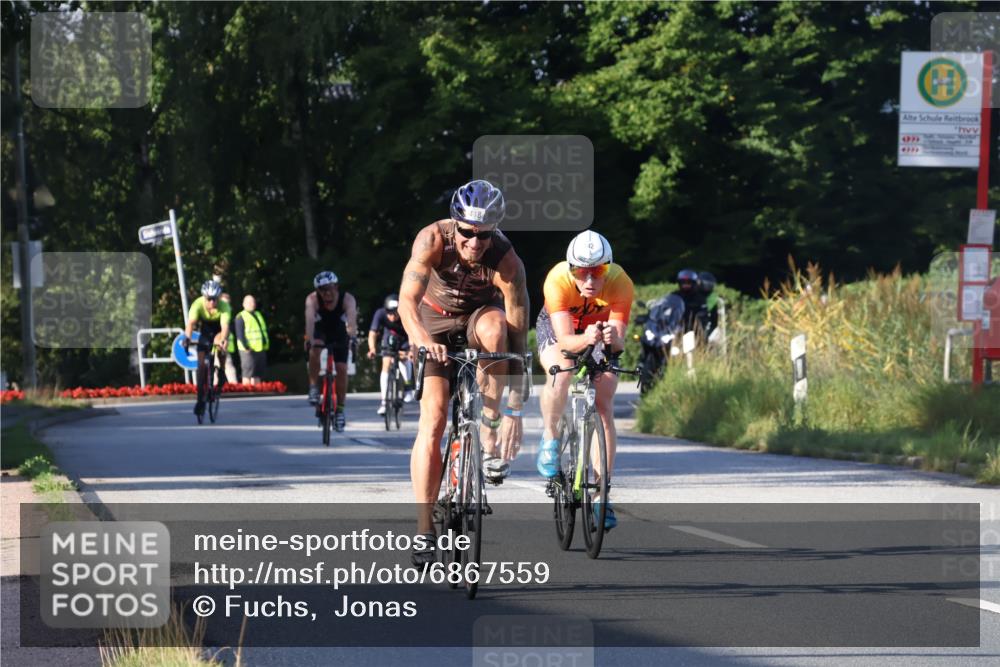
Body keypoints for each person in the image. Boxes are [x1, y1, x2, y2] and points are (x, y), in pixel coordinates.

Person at [397, 179, 529, 567]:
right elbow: (407, 301)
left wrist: (514, 411)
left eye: (484, 235)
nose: (475, 242)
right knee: (434, 420)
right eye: (468, 232)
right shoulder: (432, 239)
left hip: (477, 318)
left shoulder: (507, 261)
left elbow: (518, 343)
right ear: (457, 225)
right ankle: (424, 530)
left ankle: (486, 425)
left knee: (497, 330)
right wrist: (422, 340)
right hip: (433, 323)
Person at [535, 230, 634, 530]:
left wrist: (610, 338)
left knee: (604, 398)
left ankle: (602, 493)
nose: (589, 280)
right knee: (561, 374)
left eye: (598, 271)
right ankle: (551, 437)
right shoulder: (557, 280)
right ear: (571, 270)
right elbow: (565, 341)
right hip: (561, 332)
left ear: (609, 268)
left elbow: (619, 344)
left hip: (599, 331)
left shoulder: (621, 282)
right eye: (581, 272)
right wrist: (586, 338)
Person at [304, 271, 358, 431]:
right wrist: (308, 340)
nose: (326, 293)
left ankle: (340, 409)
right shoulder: (312, 299)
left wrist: (353, 338)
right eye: (321, 290)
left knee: (341, 369)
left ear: (336, 287)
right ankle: (313, 387)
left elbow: (352, 321)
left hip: (339, 333)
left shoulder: (347, 299)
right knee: (314, 349)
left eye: (329, 288)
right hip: (321, 331)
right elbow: (309, 321)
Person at [183, 280, 233, 416]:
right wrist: (187, 339)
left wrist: (222, 340)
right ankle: (200, 400)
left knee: (221, 345)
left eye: (215, 299)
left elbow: (225, 328)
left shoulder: (224, 307)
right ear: (204, 298)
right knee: (201, 366)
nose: (212, 302)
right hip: (205, 331)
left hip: (218, 330)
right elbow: (191, 324)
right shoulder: (197, 304)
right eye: (209, 299)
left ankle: (221, 372)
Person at [367, 293, 414, 415]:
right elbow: (373, 333)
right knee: (386, 364)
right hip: (389, 339)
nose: (392, 316)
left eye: (395, 313)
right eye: (389, 313)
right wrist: (372, 348)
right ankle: (384, 402)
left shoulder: (406, 314)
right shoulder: (380, 313)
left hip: (405, 338)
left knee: (404, 359)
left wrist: (411, 351)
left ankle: (408, 386)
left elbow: (413, 334)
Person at [236, 294, 269, 385]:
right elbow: (240, 334)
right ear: (244, 304)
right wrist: (246, 346)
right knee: (248, 371)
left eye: (253, 302)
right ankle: (246, 392)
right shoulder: (241, 316)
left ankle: (257, 391)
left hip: (259, 347)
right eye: (249, 302)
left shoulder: (258, 314)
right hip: (247, 349)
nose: (252, 304)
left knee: (257, 372)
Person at [220, 293, 240, 384]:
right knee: (217, 367)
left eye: (228, 303)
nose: (226, 305)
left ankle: (234, 386)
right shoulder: (218, 313)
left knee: (228, 366)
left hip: (227, 346)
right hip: (218, 344)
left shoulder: (228, 314)